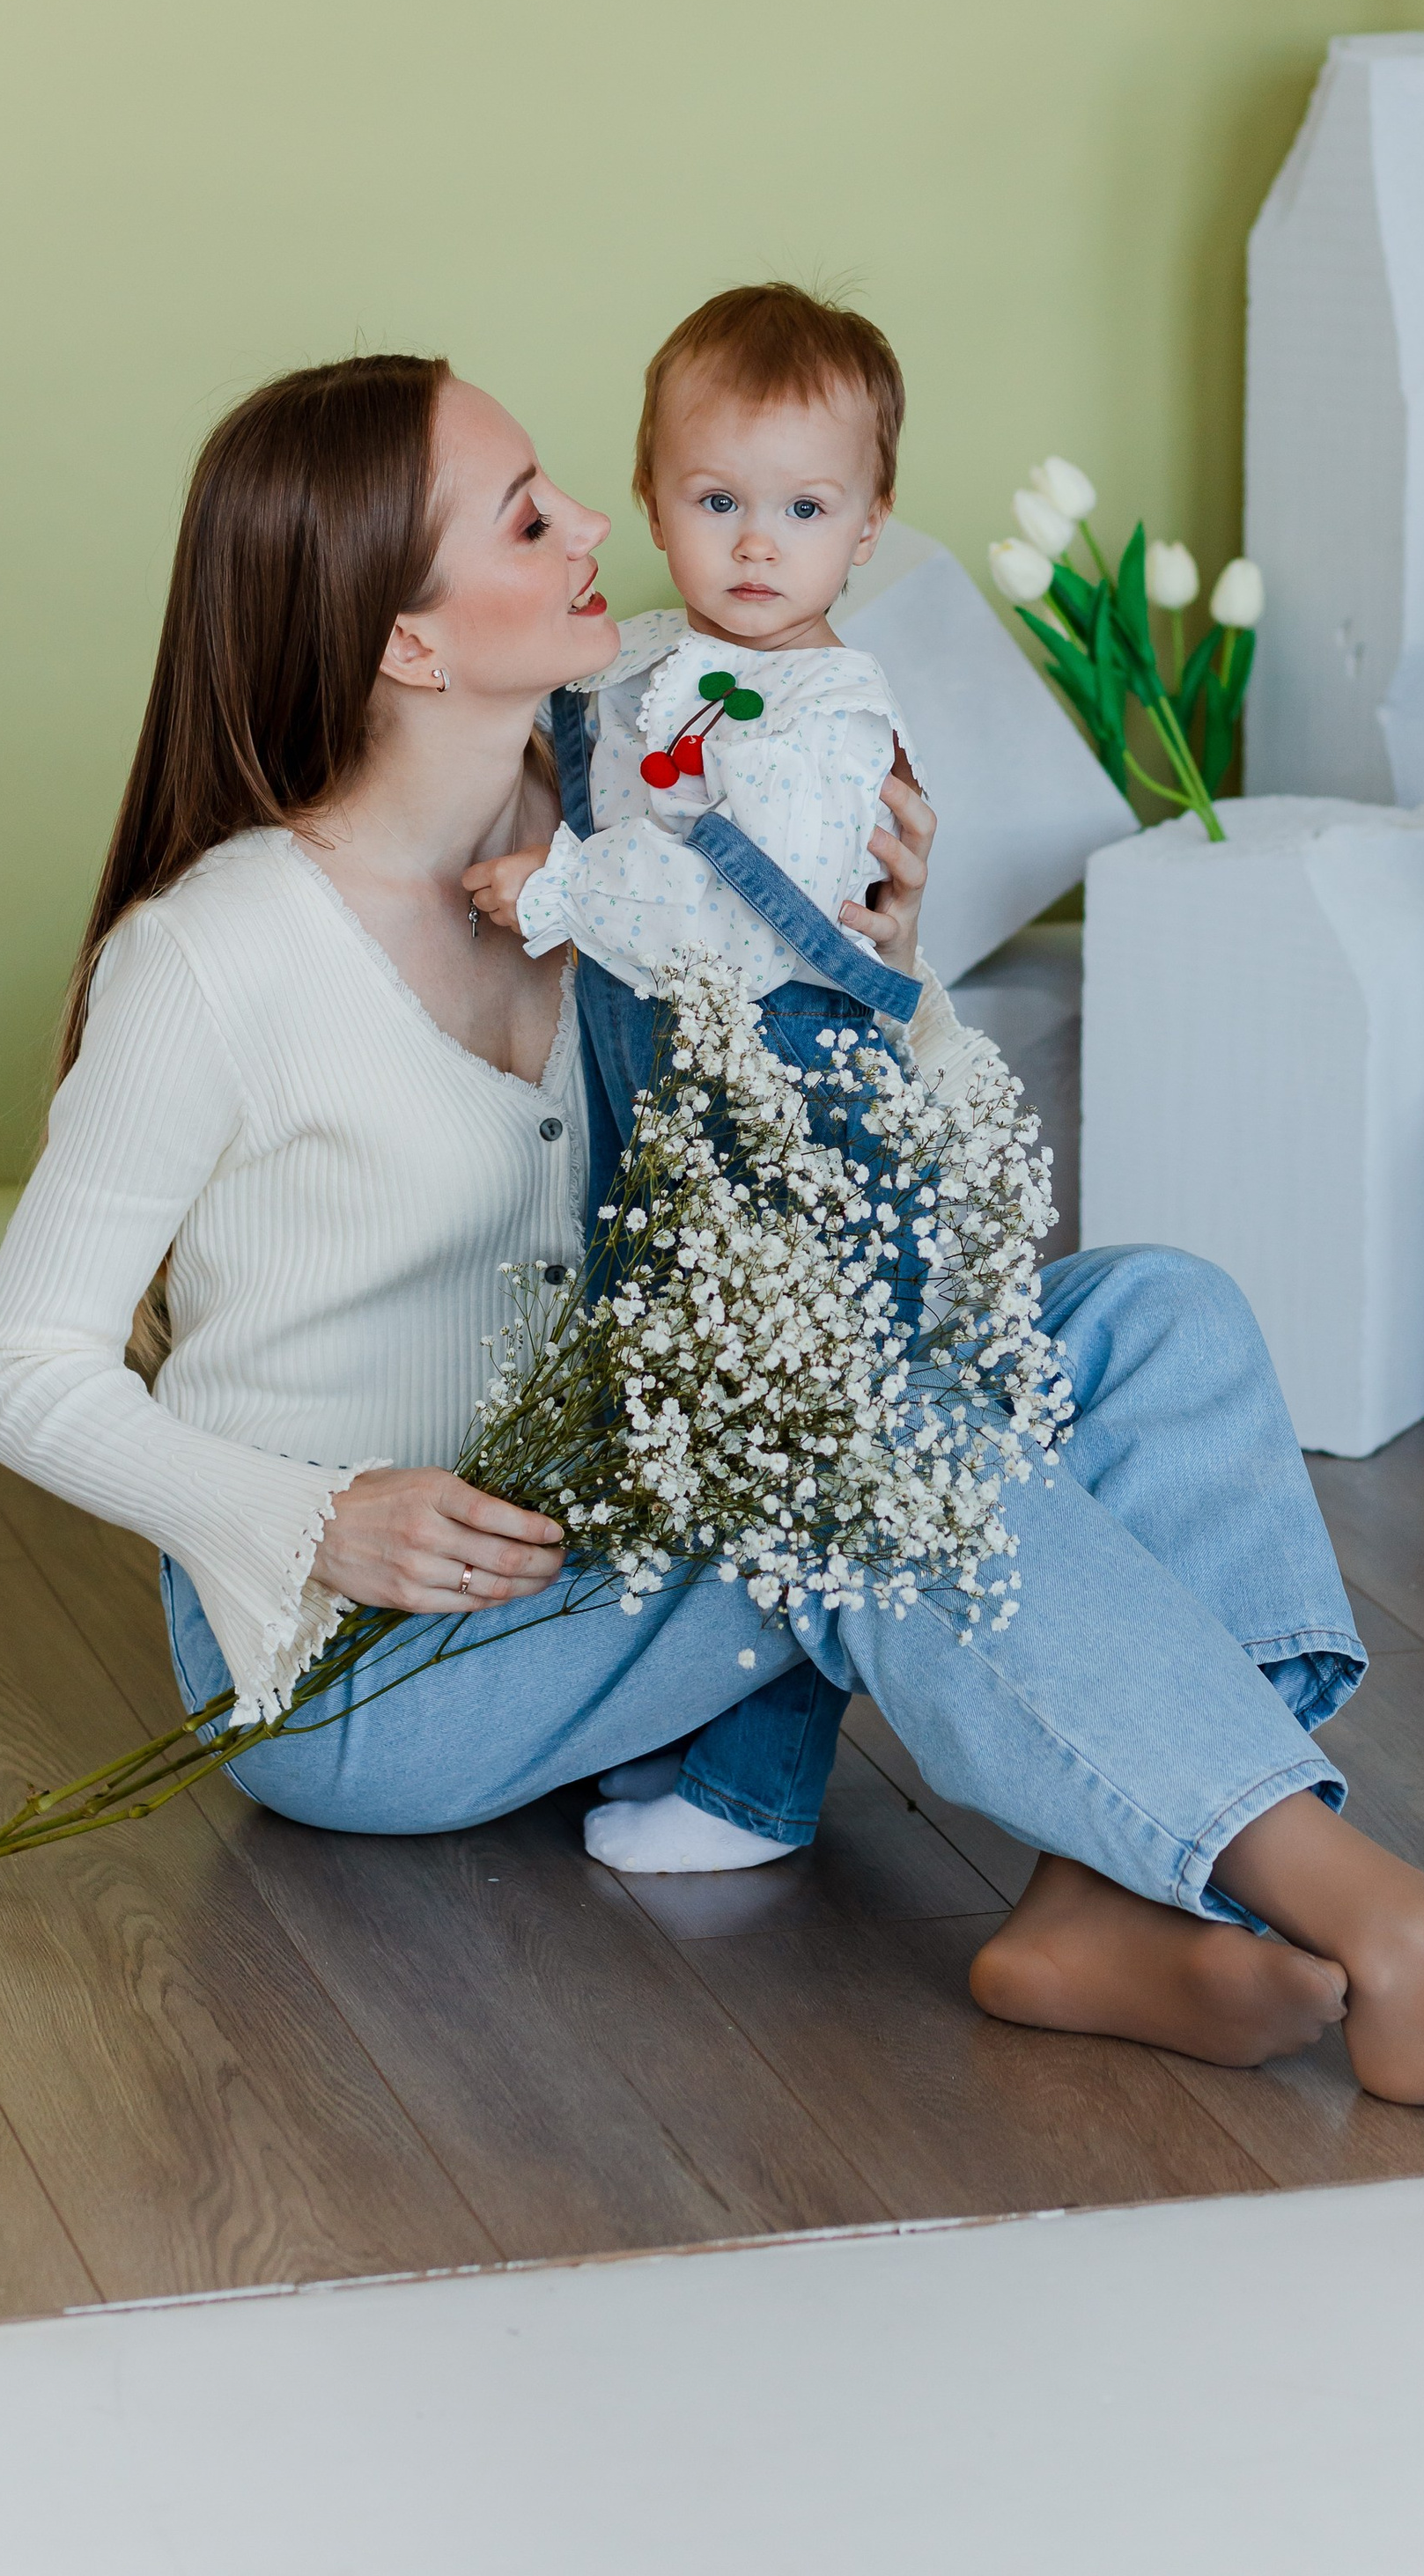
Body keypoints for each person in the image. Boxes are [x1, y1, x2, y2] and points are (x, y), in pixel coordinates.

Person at [0, 350, 1424, 2109]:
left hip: (640, 1507)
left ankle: (1103, 1908)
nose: (595, 513)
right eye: (525, 517)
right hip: (363, 1673)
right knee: (862, 1437)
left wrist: (880, 972)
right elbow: (18, 1365)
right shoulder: (217, 956)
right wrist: (311, 1518)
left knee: (1160, 1320)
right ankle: (1411, 1944)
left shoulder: (628, 791)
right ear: (403, 639)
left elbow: (834, 1155)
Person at [462, 282, 973, 1878]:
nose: (760, 545)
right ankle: (664, 1719)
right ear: (661, 504)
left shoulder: (834, 717)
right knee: (677, 1413)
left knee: (800, 1442)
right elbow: (585, 738)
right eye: (717, 502)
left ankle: (757, 1788)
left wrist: (554, 888)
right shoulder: (653, 659)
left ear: (869, 527)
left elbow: (737, 906)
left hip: (796, 1107)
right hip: (673, 1118)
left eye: (804, 509)